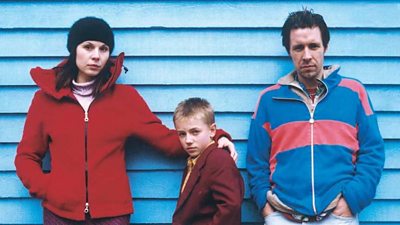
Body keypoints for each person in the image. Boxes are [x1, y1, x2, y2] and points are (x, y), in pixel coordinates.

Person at [14, 17, 237, 224]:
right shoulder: (45, 100)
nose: (96, 55)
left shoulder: (125, 99)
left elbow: (167, 142)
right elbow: (27, 156)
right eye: (88, 47)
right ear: (74, 50)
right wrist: (49, 189)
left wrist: (216, 137)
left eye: (104, 49)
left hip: (113, 214)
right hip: (60, 213)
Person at [246, 9, 385, 225]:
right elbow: (256, 160)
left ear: (325, 47)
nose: (307, 55)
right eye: (298, 48)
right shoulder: (268, 99)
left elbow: (373, 151)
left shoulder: (353, 92)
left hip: (338, 214)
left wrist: (353, 199)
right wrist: (266, 208)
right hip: (283, 216)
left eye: (314, 46)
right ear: (289, 51)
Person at [171, 97, 244, 225]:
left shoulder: (218, 159)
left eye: (195, 132)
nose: (188, 140)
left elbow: (230, 207)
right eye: (182, 134)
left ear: (212, 131)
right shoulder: (195, 159)